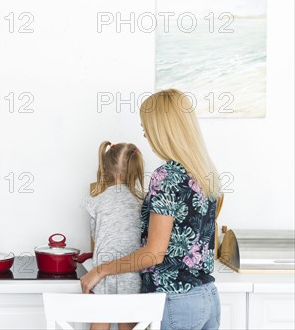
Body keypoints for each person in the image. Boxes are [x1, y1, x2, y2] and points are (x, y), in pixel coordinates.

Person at [80, 89, 222, 330]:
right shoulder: (205, 173)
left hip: (175, 301)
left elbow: (154, 253)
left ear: (163, 129)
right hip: (207, 297)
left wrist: (100, 270)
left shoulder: (166, 177)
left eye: (147, 126)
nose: (144, 134)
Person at [85, 141, 145, 330]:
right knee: (128, 324)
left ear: (105, 169)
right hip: (131, 274)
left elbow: (95, 235)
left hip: (101, 274)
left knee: (100, 321)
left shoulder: (96, 201)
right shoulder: (142, 202)